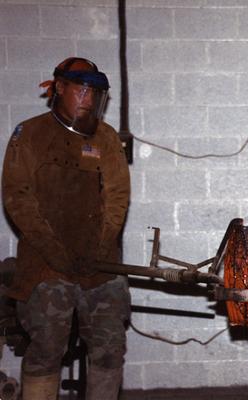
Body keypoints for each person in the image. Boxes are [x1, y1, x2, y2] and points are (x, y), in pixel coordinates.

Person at [1, 57, 131, 400]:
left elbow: (118, 196)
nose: (87, 100)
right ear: (59, 88)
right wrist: (53, 250)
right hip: (45, 263)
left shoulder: (105, 138)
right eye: (81, 90)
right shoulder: (30, 134)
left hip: (100, 265)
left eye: (95, 93)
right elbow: (17, 197)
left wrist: (102, 247)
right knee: (47, 346)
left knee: (109, 346)